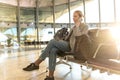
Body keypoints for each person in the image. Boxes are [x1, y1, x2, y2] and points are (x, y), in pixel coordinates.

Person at [23, 10, 88, 80]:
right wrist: (61, 39)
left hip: (73, 47)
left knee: (52, 41)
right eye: (73, 16)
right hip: (67, 44)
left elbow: (80, 38)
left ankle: (36, 63)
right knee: (53, 50)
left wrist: (77, 26)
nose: (73, 18)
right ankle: (50, 76)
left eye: (75, 16)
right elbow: (68, 38)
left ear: (80, 17)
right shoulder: (73, 27)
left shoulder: (85, 26)